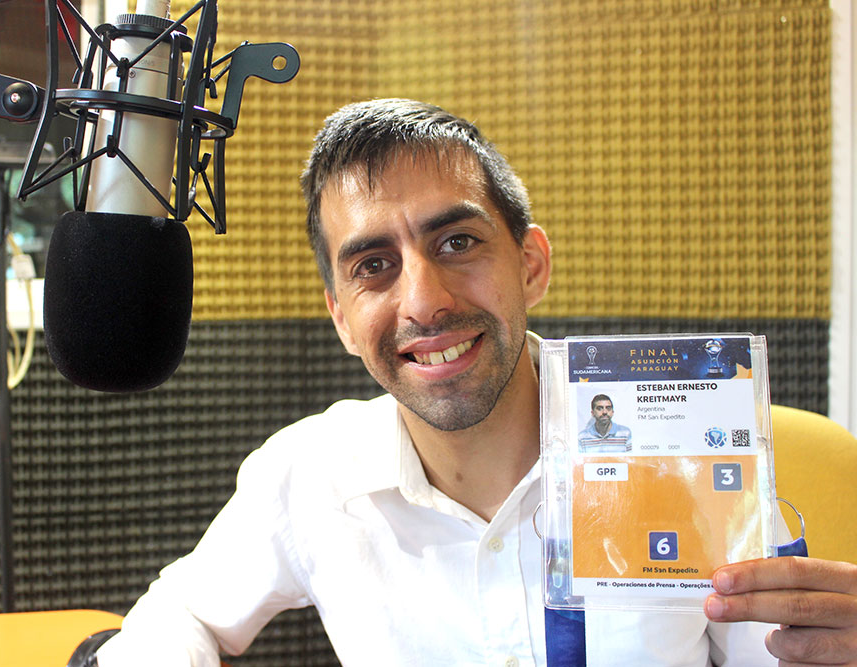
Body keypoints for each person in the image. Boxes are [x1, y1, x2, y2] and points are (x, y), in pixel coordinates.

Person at [97, 99, 857, 666]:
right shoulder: (309, 472)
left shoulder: (688, 445)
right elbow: (182, 611)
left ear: (531, 265)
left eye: (457, 242)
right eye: (373, 266)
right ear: (341, 317)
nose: (423, 301)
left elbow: (775, 653)